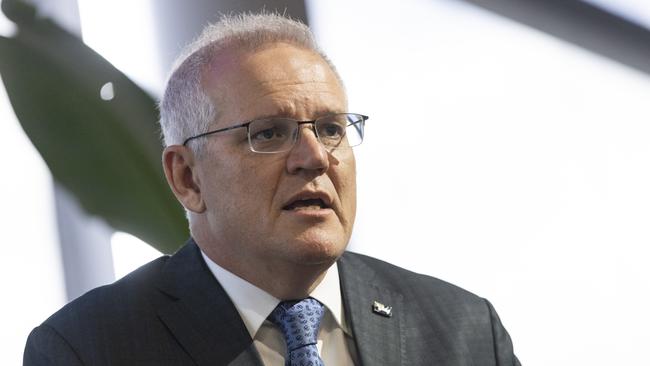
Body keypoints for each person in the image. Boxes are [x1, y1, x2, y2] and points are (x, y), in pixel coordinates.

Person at [23, 12, 520, 366]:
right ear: (187, 177)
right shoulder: (87, 349)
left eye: (331, 128)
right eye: (268, 134)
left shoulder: (462, 331)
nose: (315, 157)